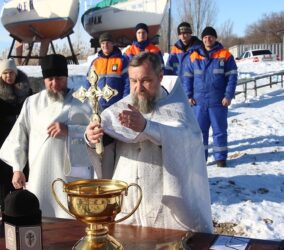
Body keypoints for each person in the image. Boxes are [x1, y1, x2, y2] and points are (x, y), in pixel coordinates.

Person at [85, 52, 213, 232]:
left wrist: (147, 127)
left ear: (160, 77)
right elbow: (103, 149)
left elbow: (187, 139)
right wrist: (92, 139)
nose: (138, 88)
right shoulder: (119, 108)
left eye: (146, 80)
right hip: (125, 205)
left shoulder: (175, 107)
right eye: (133, 81)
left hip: (163, 208)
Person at [0, 54, 93, 218]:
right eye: (50, 79)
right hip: (40, 174)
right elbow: (19, 136)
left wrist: (69, 130)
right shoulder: (32, 103)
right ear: (44, 79)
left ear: (67, 77)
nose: (54, 84)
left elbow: (97, 135)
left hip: (73, 176)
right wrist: (18, 169)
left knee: (72, 219)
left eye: (59, 78)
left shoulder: (84, 101)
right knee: (41, 218)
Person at [182, 27, 238, 167]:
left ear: (215, 38)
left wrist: (228, 95)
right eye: (205, 37)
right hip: (198, 102)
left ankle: (220, 158)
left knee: (219, 131)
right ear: (202, 39)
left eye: (211, 37)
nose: (208, 39)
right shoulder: (194, 56)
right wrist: (188, 95)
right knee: (200, 132)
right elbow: (187, 77)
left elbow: (232, 76)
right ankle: (201, 158)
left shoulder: (225, 55)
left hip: (218, 101)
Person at [0, 58, 32, 212]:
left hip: (24, 139)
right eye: (5, 73)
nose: (8, 76)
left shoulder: (27, 90)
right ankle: (5, 213)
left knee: (22, 177)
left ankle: (22, 210)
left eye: (11, 72)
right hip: (2, 139)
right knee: (4, 181)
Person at [85, 32, 129, 110]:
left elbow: (127, 83)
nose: (105, 45)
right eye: (103, 43)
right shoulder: (95, 62)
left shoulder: (122, 61)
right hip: (99, 105)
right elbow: (89, 82)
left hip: (117, 105)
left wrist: (125, 101)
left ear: (113, 44)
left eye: (108, 43)